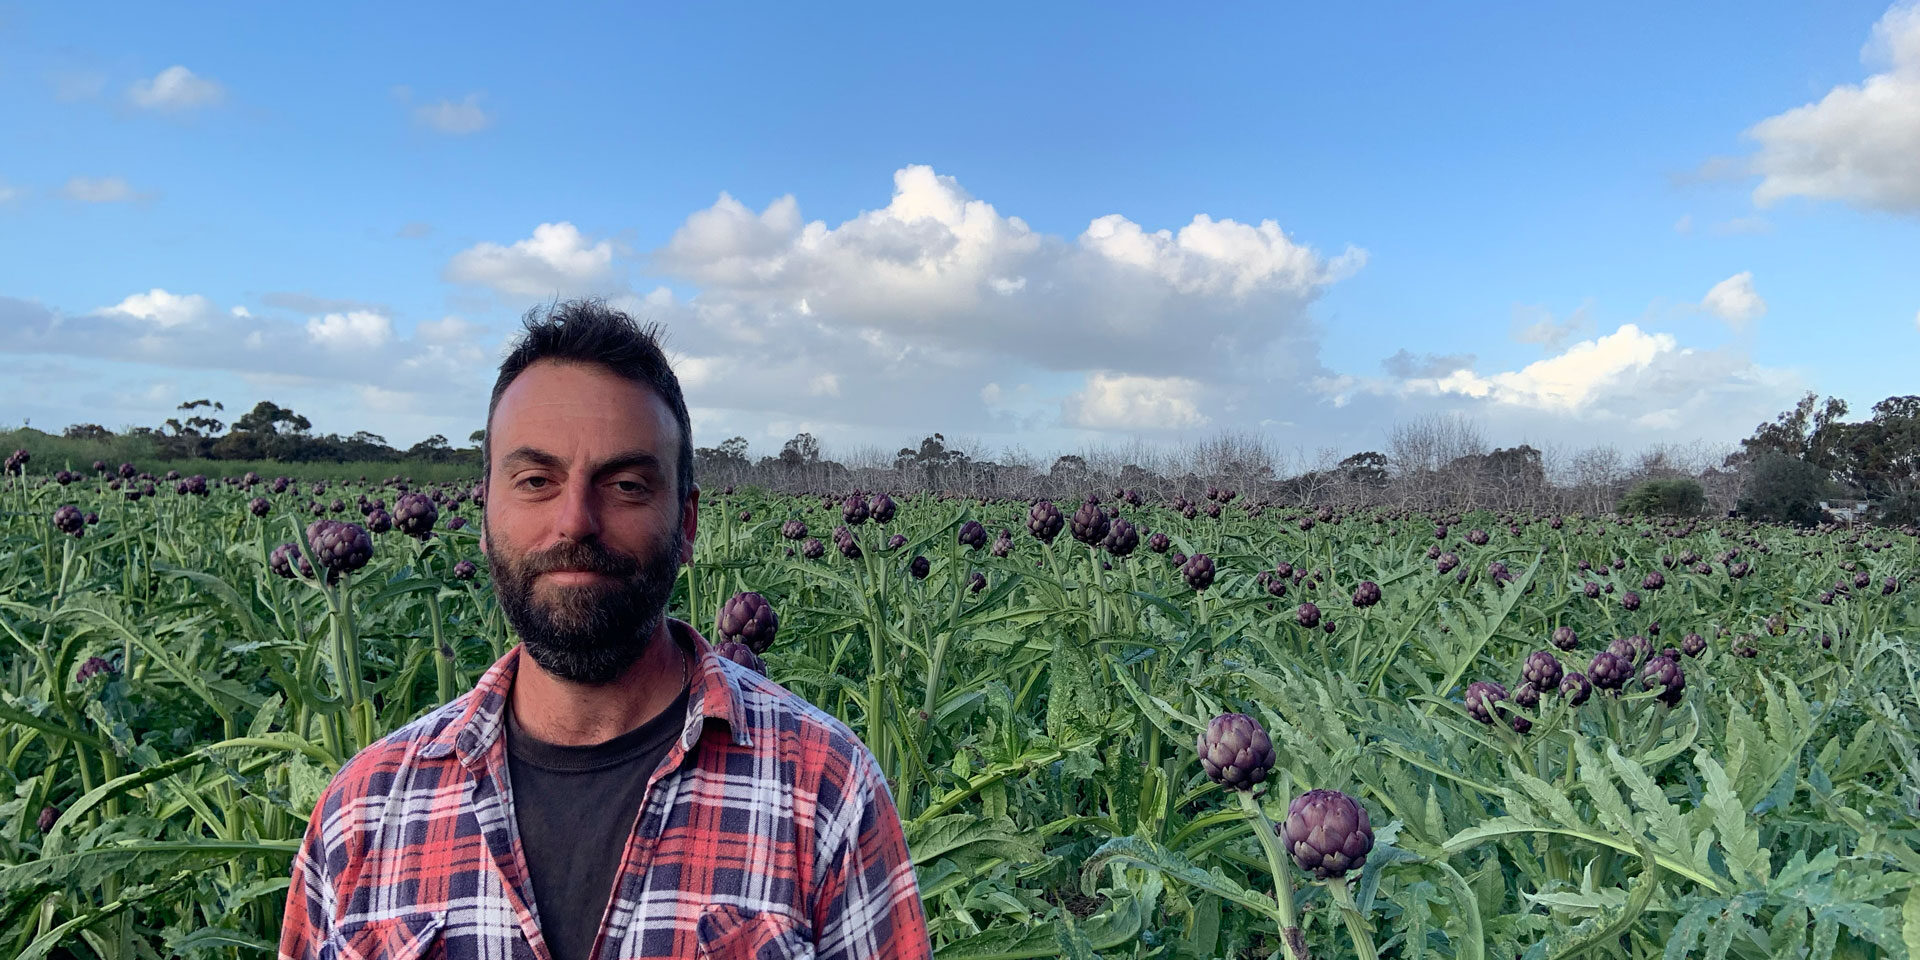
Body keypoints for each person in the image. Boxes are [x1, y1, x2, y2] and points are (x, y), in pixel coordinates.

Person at [278, 300, 931, 960]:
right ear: (484, 514)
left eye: (626, 485)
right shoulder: (359, 812)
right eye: (536, 480)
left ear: (687, 523)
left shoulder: (827, 790)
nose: (575, 521)